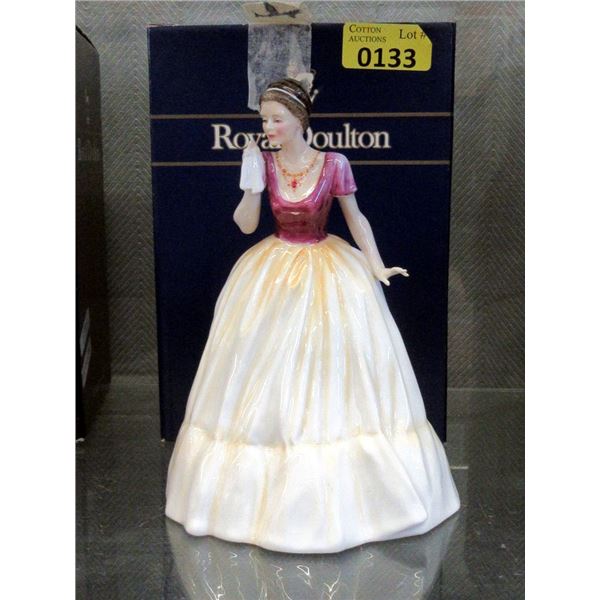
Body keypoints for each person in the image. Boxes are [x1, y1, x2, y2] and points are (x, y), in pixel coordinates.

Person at [165, 77, 460, 554]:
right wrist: (250, 184)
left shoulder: (333, 163)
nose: (269, 128)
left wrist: (376, 264)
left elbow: (356, 218)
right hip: (273, 269)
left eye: (277, 119)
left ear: (299, 120)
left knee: (330, 365)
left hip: (326, 267)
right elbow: (246, 225)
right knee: (263, 369)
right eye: (264, 119)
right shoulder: (264, 163)